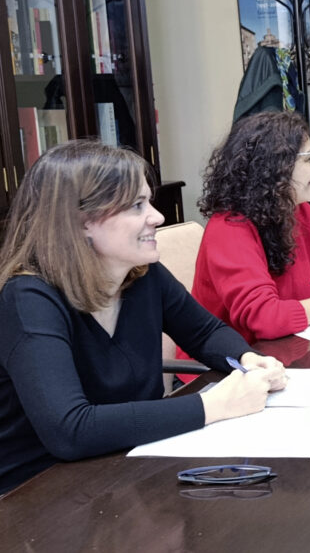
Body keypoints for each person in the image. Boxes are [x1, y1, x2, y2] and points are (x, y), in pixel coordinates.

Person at [0, 140, 286, 495]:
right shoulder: (28, 299)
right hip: (38, 494)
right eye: (137, 206)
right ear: (83, 222)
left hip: (129, 467)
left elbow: (205, 332)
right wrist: (213, 405)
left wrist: (248, 359)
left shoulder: (141, 273)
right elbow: (69, 430)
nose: (157, 216)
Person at [186, 111, 310, 349]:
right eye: (309, 159)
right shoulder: (228, 229)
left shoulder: (299, 212)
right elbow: (265, 319)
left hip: (286, 351)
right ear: (276, 166)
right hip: (229, 363)